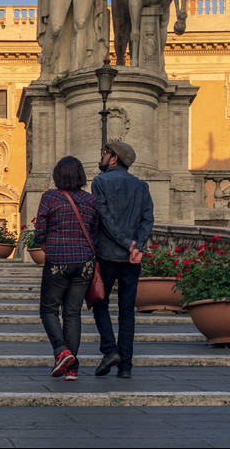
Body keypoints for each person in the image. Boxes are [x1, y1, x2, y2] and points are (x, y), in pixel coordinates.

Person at [90, 140, 153, 379]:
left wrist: (128, 244)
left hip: (107, 255)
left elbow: (105, 219)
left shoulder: (100, 182)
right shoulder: (141, 186)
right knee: (127, 311)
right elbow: (148, 219)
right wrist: (138, 246)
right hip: (131, 259)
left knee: (99, 303)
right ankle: (125, 366)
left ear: (113, 158)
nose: (102, 156)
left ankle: (109, 349)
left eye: (104, 152)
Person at [35, 156, 100, 381]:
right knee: (73, 313)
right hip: (83, 262)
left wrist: (49, 246)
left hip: (58, 260)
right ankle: (71, 370)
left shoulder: (50, 197)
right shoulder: (90, 200)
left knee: (49, 310)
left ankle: (62, 351)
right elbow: (94, 230)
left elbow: (39, 233)